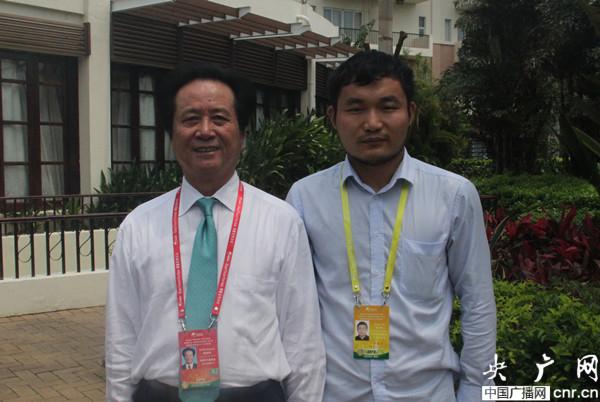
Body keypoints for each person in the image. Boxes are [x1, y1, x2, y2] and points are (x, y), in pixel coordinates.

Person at [105, 63, 325, 402]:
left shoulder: (281, 222)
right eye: (190, 119)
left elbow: (303, 341)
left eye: (219, 118)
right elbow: (121, 342)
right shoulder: (138, 226)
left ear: (243, 134)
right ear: (171, 134)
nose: (205, 131)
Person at [286, 50, 496, 402]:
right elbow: (293, 309)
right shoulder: (305, 198)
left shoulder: (453, 195)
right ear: (333, 117)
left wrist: (477, 390)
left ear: (411, 113)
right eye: (356, 108)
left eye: (387, 107)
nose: (372, 123)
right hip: (335, 393)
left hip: (426, 394)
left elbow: (477, 301)